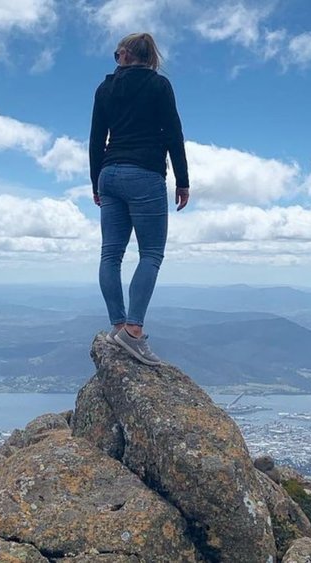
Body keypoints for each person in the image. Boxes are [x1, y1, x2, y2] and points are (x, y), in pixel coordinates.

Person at [89, 32, 190, 366]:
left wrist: (95, 182)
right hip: (144, 174)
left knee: (111, 254)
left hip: (109, 174)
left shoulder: (105, 89)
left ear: (124, 56)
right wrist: (182, 180)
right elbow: (173, 134)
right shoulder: (159, 86)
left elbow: (95, 140)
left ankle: (117, 325)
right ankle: (132, 332)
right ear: (150, 58)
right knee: (150, 254)